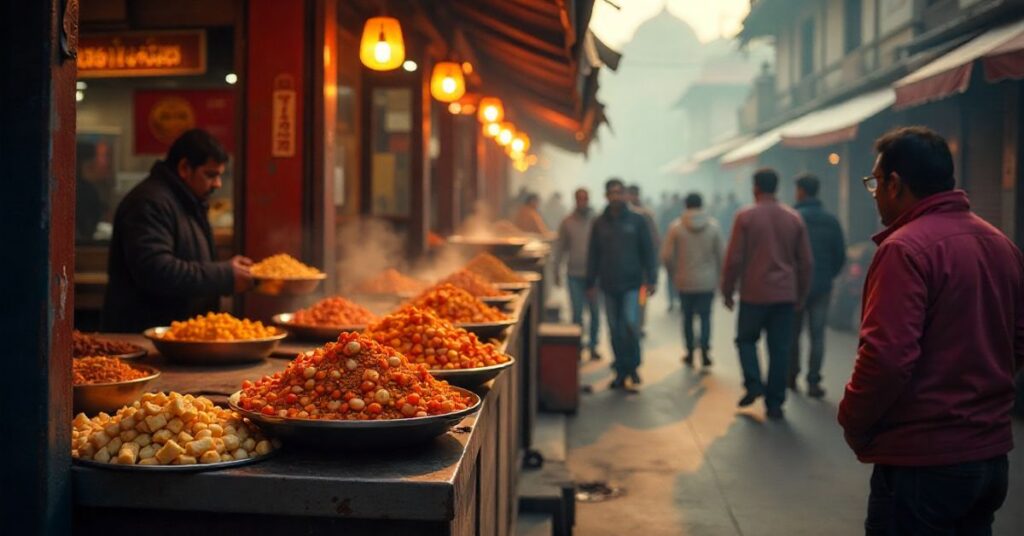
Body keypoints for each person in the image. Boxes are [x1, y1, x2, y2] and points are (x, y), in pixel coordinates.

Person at [838, 127, 1023, 534]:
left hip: (923, 462)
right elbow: (1018, 339)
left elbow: (885, 358)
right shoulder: (1000, 243)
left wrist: (852, 419)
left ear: (895, 184)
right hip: (989, 458)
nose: (874, 193)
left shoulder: (903, 249)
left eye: (875, 182)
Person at [103, 129, 253, 332]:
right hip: (148, 337)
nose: (217, 184)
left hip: (178, 337)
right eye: (210, 175)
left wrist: (229, 271)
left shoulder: (188, 201)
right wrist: (224, 275)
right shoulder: (149, 203)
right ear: (184, 168)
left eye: (220, 176)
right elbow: (157, 271)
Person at [721, 169, 812, 420]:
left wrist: (727, 290)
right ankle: (775, 403)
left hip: (753, 293)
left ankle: (753, 384)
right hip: (785, 295)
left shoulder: (746, 216)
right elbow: (805, 262)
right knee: (780, 349)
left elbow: (734, 258)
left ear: (755, 187)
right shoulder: (793, 218)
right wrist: (801, 293)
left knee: (745, 340)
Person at [586, 178, 658, 389]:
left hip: (633, 284)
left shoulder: (638, 220)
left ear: (625, 195)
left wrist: (652, 279)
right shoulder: (599, 222)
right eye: (612, 193)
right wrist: (590, 282)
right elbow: (593, 254)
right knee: (614, 329)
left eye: (619, 192)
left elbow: (648, 252)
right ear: (606, 196)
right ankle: (619, 369)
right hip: (608, 284)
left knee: (630, 325)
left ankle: (633, 366)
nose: (616, 196)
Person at [789, 174, 846, 398]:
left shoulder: (794, 218)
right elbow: (840, 254)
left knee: (793, 334)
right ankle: (813, 381)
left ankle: (791, 376)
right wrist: (828, 275)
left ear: (801, 191)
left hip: (796, 286)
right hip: (822, 286)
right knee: (817, 335)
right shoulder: (831, 220)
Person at [661, 192, 722, 368]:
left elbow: (666, 255)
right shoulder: (714, 227)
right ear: (702, 205)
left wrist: (674, 272)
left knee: (687, 317)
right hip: (707, 281)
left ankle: (689, 351)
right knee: (705, 317)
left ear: (685, 205)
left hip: (684, 280)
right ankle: (705, 349)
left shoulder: (676, 228)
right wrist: (720, 276)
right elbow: (722, 255)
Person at [554, 188, 601, 361]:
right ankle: (578, 346)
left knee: (595, 313)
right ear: (575, 200)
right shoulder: (567, 222)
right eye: (580, 199)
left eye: (585, 198)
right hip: (574, 273)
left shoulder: (597, 221)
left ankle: (594, 345)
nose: (583, 201)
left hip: (594, 275)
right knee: (577, 313)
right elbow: (560, 247)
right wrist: (556, 269)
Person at [626, 184, 659, 332]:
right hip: (627, 268)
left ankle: (638, 325)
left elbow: (654, 242)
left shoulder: (646, 215)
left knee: (641, 299)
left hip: (642, 269)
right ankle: (634, 325)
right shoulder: (622, 215)